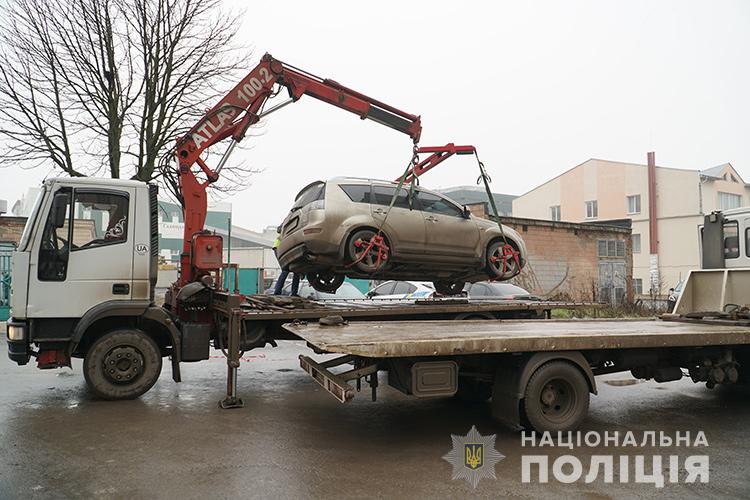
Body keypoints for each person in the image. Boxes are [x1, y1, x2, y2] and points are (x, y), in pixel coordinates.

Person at [273, 226, 300, 296]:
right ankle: (277, 291)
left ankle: (293, 293)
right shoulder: (289, 226)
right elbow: (279, 229)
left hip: (285, 248)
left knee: (296, 271)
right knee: (285, 270)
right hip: (280, 247)